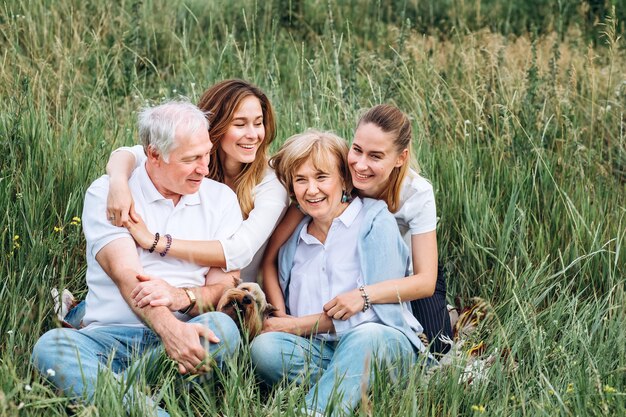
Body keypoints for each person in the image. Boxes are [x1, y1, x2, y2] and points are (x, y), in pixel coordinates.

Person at [31, 101, 243, 416]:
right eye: (191, 159)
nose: (204, 167)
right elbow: (126, 275)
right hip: (108, 338)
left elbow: (223, 286)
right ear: (153, 154)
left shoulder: (221, 200)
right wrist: (169, 331)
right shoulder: (111, 193)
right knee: (50, 347)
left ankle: (112, 397)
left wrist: (180, 297)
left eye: (207, 154)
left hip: (187, 332)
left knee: (223, 329)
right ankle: (151, 406)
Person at [250, 130, 431, 416]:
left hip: (380, 343)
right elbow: (269, 266)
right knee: (264, 349)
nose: (311, 190)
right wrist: (281, 318)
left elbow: (378, 313)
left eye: (322, 177)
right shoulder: (295, 238)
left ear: (344, 180)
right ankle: (357, 389)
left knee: (366, 336)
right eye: (301, 180)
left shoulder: (374, 221)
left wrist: (295, 326)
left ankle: (316, 410)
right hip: (320, 351)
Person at [262, 104, 452, 354]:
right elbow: (272, 256)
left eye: (375, 156)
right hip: (347, 301)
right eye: (357, 150)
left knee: (439, 350)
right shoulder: (331, 181)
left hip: (409, 277)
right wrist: (283, 320)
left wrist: (364, 295)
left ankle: (443, 317)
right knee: (268, 350)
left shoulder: (417, 193)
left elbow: (425, 281)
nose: (360, 165)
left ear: (400, 158)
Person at [106, 79, 289, 283]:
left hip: (235, 296)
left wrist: (154, 241)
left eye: (258, 123)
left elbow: (239, 252)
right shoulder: (192, 161)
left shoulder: (271, 182)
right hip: (185, 282)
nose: (253, 135)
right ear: (216, 126)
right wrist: (118, 183)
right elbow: (131, 153)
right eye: (240, 124)